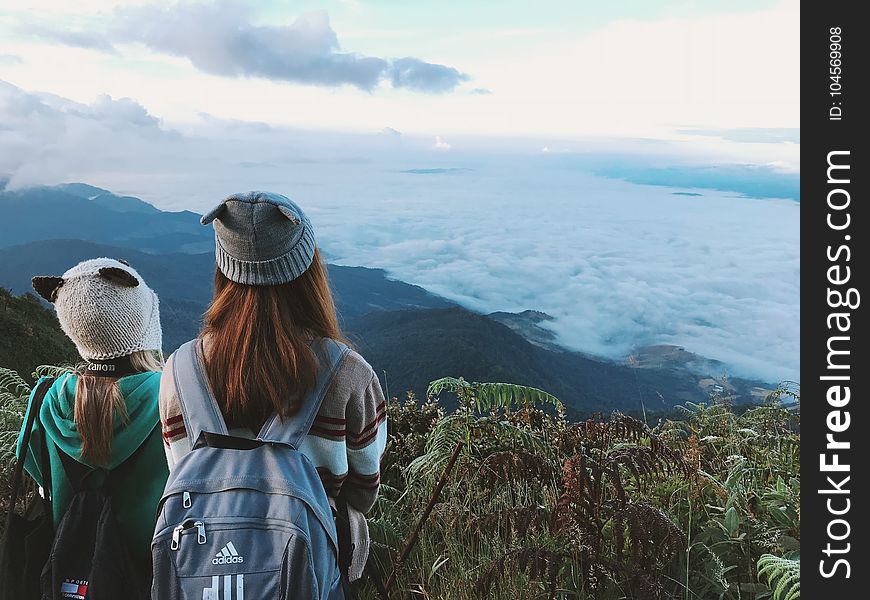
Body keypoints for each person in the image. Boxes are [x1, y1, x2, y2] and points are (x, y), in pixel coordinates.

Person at [159, 191, 386, 584]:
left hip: (203, 568)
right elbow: (364, 493)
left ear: (222, 270)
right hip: (309, 564)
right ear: (309, 270)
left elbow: (182, 475)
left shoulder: (179, 372)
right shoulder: (349, 375)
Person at [19, 257, 168, 586]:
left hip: (71, 569)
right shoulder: (170, 396)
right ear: (143, 324)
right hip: (150, 573)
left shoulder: (47, 397)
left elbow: (30, 462)